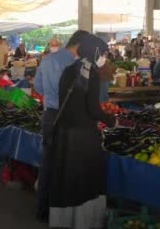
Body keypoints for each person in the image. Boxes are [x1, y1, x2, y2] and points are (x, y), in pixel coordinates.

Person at [48, 34, 116, 228]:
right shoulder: (91, 73)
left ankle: (65, 222)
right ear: (95, 52)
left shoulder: (69, 70)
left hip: (65, 133)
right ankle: (84, 223)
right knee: (84, 181)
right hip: (83, 136)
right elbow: (93, 109)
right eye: (103, 53)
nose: (104, 57)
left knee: (67, 181)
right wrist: (112, 120)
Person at [33, 30, 89, 222]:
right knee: (68, 164)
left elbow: (38, 87)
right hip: (70, 118)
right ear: (80, 45)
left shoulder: (47, 60)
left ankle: (42, 211)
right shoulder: (76, 65)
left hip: (49, 116)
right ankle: (63, 214)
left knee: (48, 163)